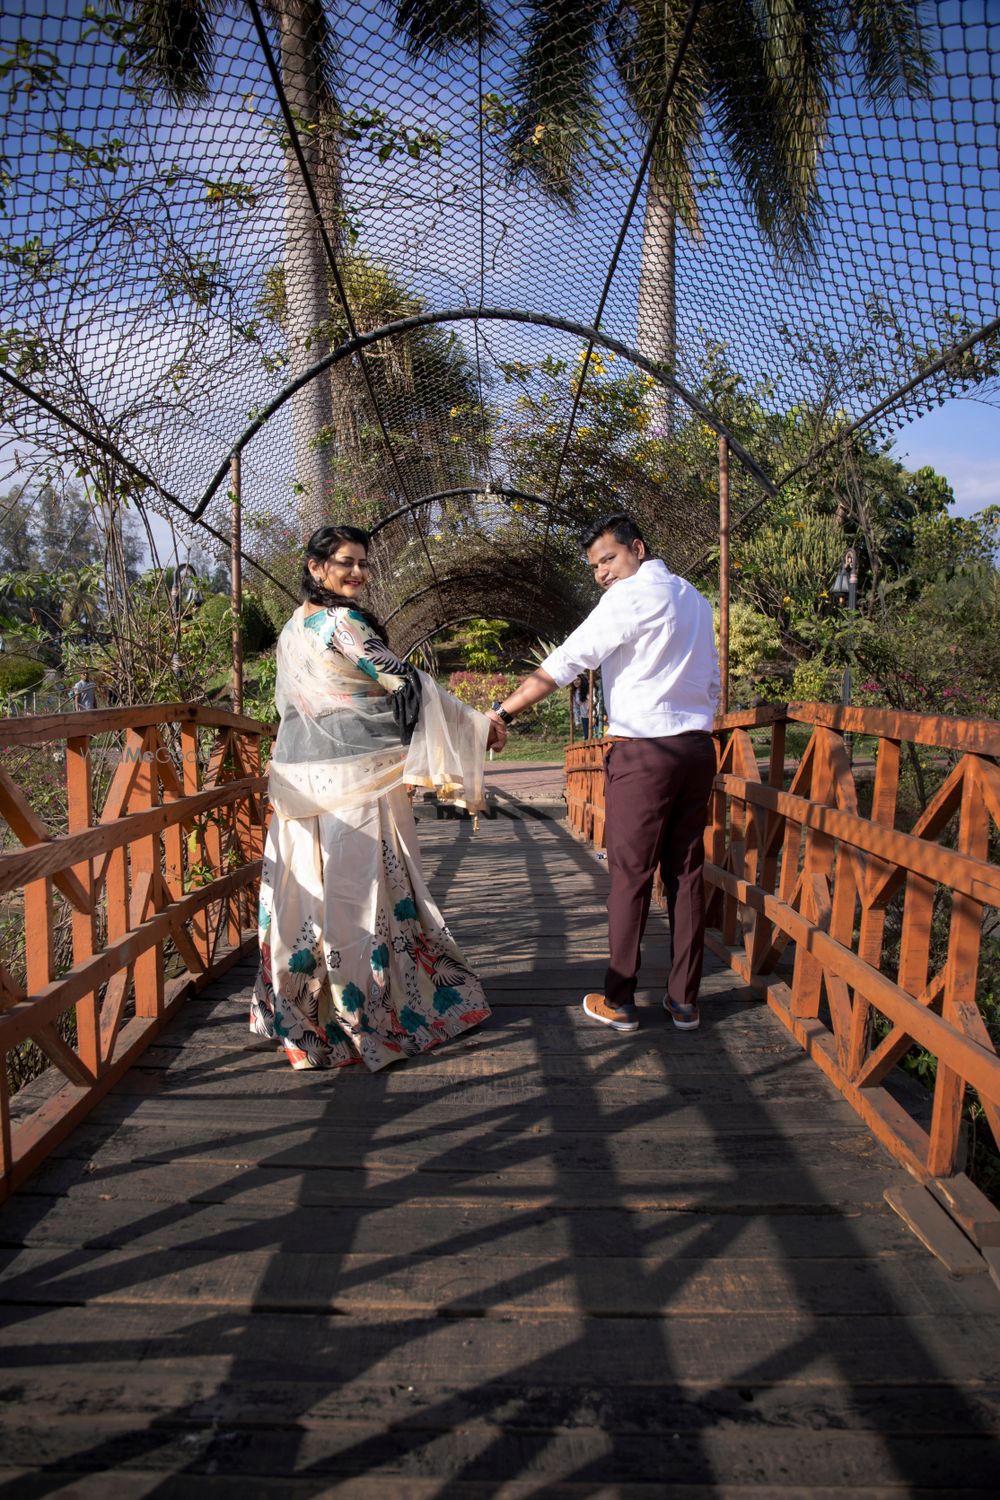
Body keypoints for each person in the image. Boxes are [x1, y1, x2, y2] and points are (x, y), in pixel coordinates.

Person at [251, 523, 505, 1071]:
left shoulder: (292, 630)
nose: (359, 573)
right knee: (358, 895)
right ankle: (360, 1018)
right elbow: (406, 683)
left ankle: (304, 1018)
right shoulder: (341, 625)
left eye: (363, 563)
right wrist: (477, 726)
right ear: (316, 567)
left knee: (305, 900)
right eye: (346, 562)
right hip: (354, 785)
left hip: (299, 786)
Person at [486, 513, 720, 1034]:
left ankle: (620, 999)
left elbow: (566, 661)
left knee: (630, 876)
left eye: (608, 559)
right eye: (594, 567)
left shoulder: (630, 598)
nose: (602, 575)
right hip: (698, 749)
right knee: (685, 874)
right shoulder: (694, 598)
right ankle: (684, 1002)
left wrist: (502, 713)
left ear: (636, 547)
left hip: (644, 754)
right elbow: (712, 679)